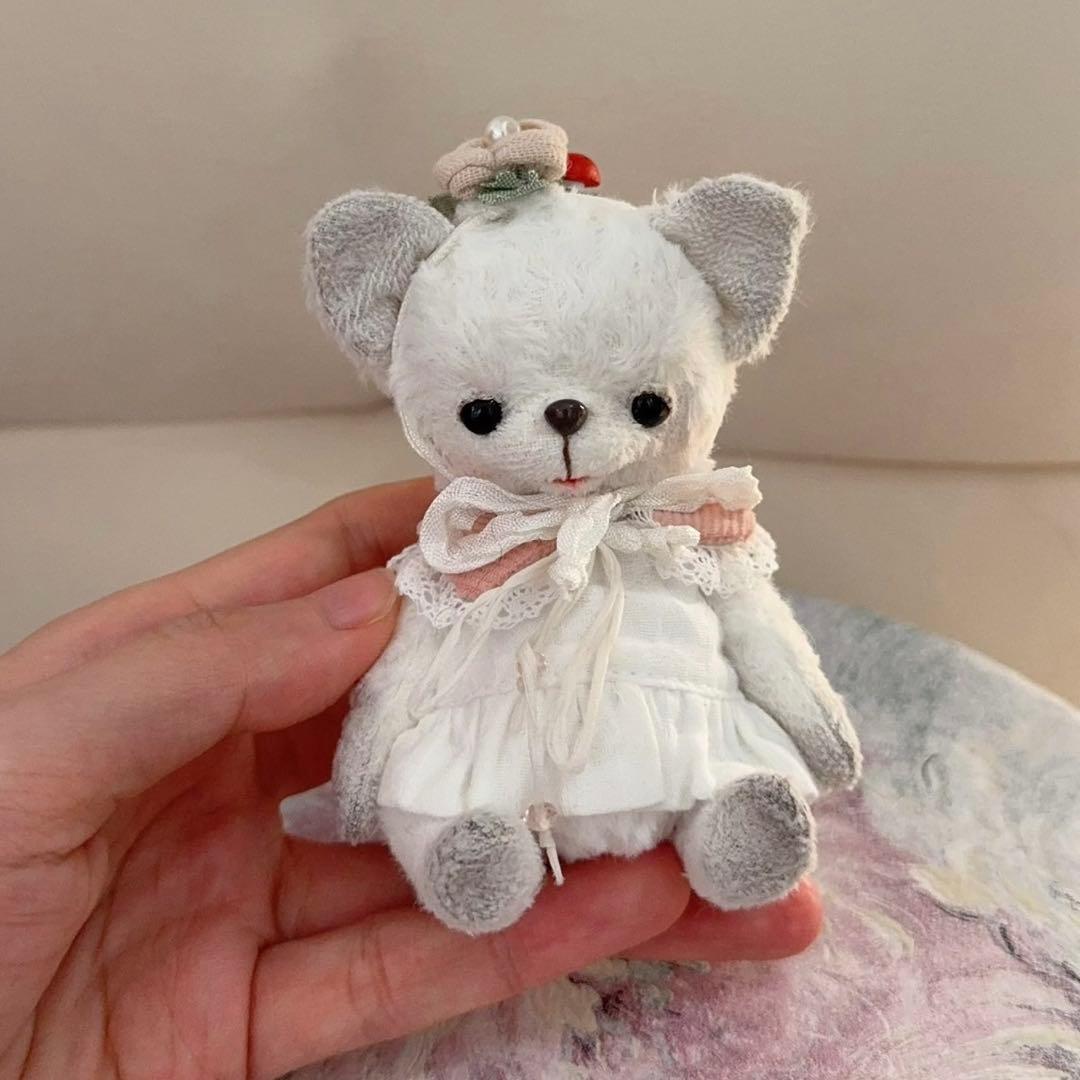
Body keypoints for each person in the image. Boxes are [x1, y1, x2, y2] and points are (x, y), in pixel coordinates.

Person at [0, 478, 822, 1078]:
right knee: (437, 786)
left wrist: (821, 732)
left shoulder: (691, 531)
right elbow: (399, 680)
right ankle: (471, 857)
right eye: (485, 412)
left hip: (682, 724)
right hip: (500, 751)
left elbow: (765, 638)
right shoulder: (459, 553)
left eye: (645, 406)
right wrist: (360, 781)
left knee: (734, 767)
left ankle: (733, 822)